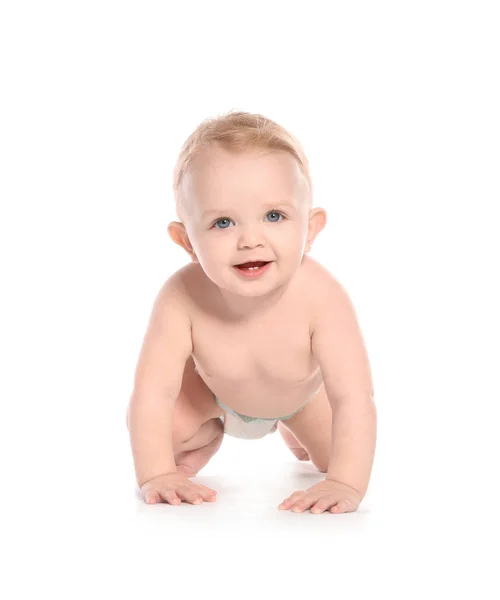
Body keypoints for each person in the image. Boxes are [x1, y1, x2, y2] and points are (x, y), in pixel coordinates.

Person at [126, 111, 376, 514]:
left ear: (310, 229)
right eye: (223, 222)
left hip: (301, 399)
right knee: (160, 436)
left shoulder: (323, 298)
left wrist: (346, 484)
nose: (250, 239)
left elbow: (354, 397)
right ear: (186, 240)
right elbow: (153, 393)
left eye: (274, 216)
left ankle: (295, 431)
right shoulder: (180, 296)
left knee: (337, 456)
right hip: (212, 394)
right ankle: (208, 435)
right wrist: (156, 474)